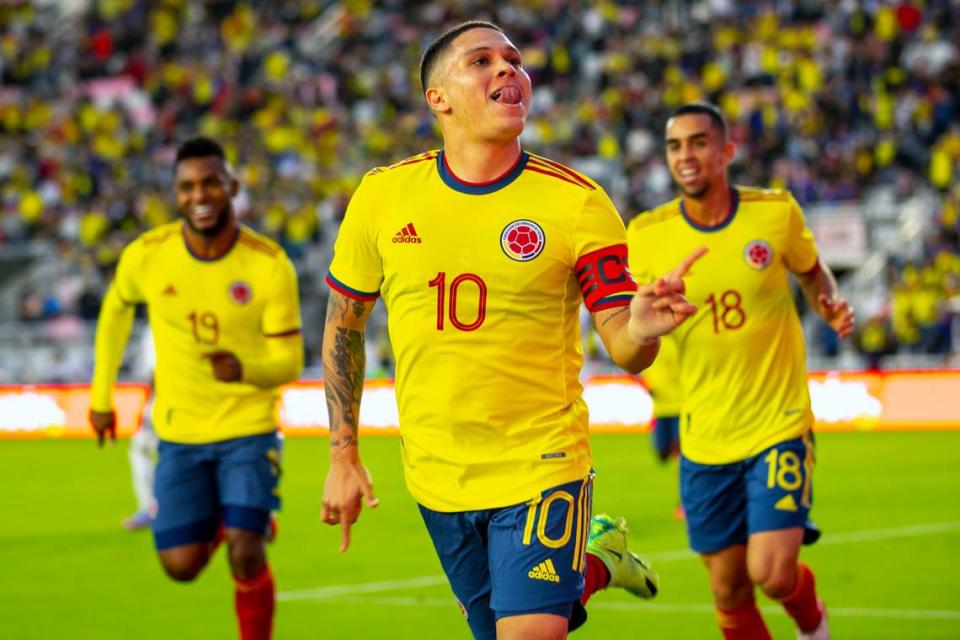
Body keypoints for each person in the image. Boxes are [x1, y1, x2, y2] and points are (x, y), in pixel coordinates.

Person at [320, 21, 703, 640]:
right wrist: (344, 454)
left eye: (515, 60)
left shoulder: (578, 204)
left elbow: (626, 348)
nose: (507, 70)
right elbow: (344, 326)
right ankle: (601, 561)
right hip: (436, 472)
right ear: (438, 98)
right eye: (482, 61)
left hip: (542, 459)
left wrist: (645, 325)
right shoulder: (382, 197)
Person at [626, 102, 854, 640]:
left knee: (771, 574)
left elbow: (813, 272)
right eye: (675, 145)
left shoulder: (775, 213)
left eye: (699, 142)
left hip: (778, 424)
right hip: (704, 436)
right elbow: (630, 337)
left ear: (727, 151)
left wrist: (829, 304)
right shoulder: (646, 235)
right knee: (728, 589)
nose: (686, 155)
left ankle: (813, 626)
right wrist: (647, 322)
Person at [89, 136, 303, 640]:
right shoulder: (147, 255)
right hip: (180, 433)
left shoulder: (268, 264)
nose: (199, 195)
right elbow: (116, 310)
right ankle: (233, 516)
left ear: (232, 186)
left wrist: (245, 369)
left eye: (210, 182)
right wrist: (101, 397)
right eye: (187, 187)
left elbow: (289, 362)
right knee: (179, 566)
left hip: (248, 428)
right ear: (176, 193)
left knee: (245, 551)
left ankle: (244, 527)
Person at [639, 335, 684, 521]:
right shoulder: (650, 339)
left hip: (681, 405)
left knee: (682, 457)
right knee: (662, 453)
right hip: (660, 408)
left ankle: (685, 502)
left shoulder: (677, 339)